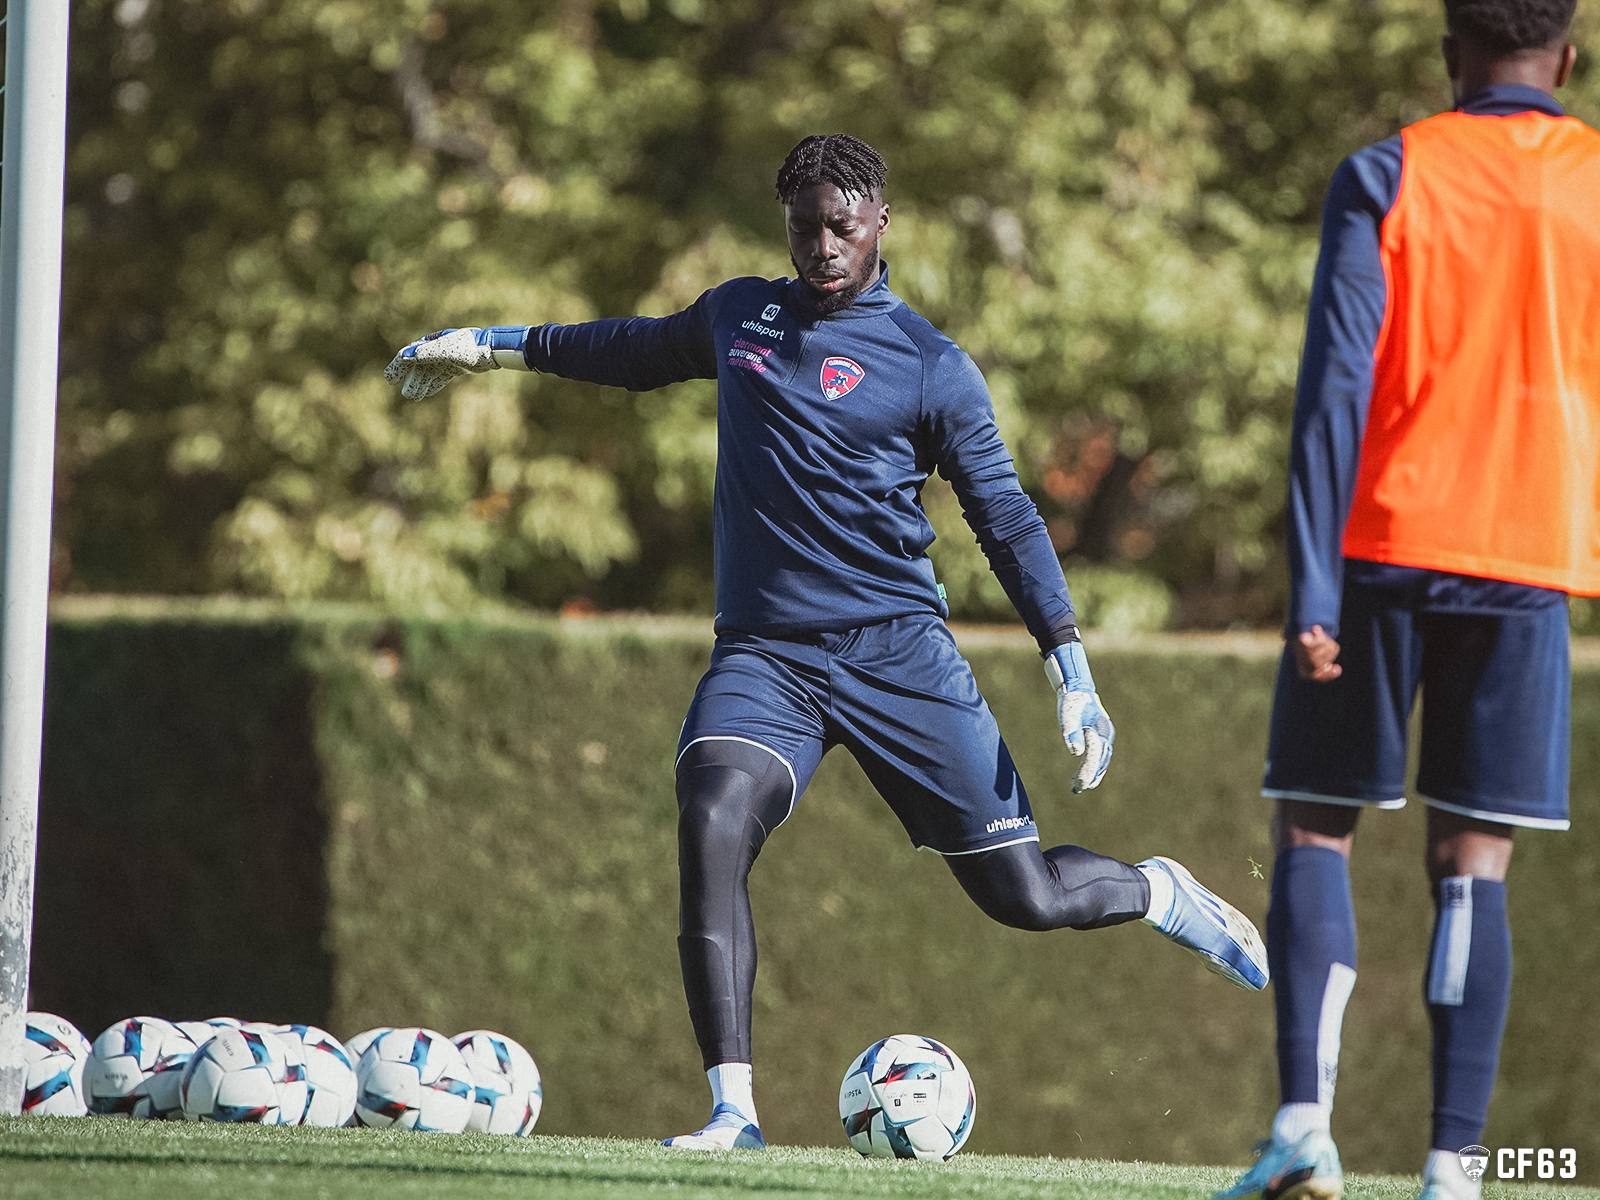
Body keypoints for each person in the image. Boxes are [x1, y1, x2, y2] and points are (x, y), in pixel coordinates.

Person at [386, 133, 1268, 1152]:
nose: (822, 247)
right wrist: (488, 345)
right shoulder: (738, 317)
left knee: (1024, 897)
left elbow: (1007, 519)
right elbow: (630, 352)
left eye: (842, 227)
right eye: (804, 227)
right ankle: (733, 1112)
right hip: (766, 658)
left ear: (881, 223)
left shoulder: (933, 368)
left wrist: (1069, 665)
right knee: (712, 815)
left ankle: (1156, 889)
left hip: (900, 658)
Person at [1216, 1, 1599, 1198]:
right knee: (1472, 862)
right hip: (1531, 558)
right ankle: (1454, 1170)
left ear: (1450, 52)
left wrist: (1311, 582)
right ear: (1570, 56)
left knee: (1316, 828)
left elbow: (1333, 386)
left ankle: (1301, 1130)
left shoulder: (1389, 171)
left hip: (1379, 545)